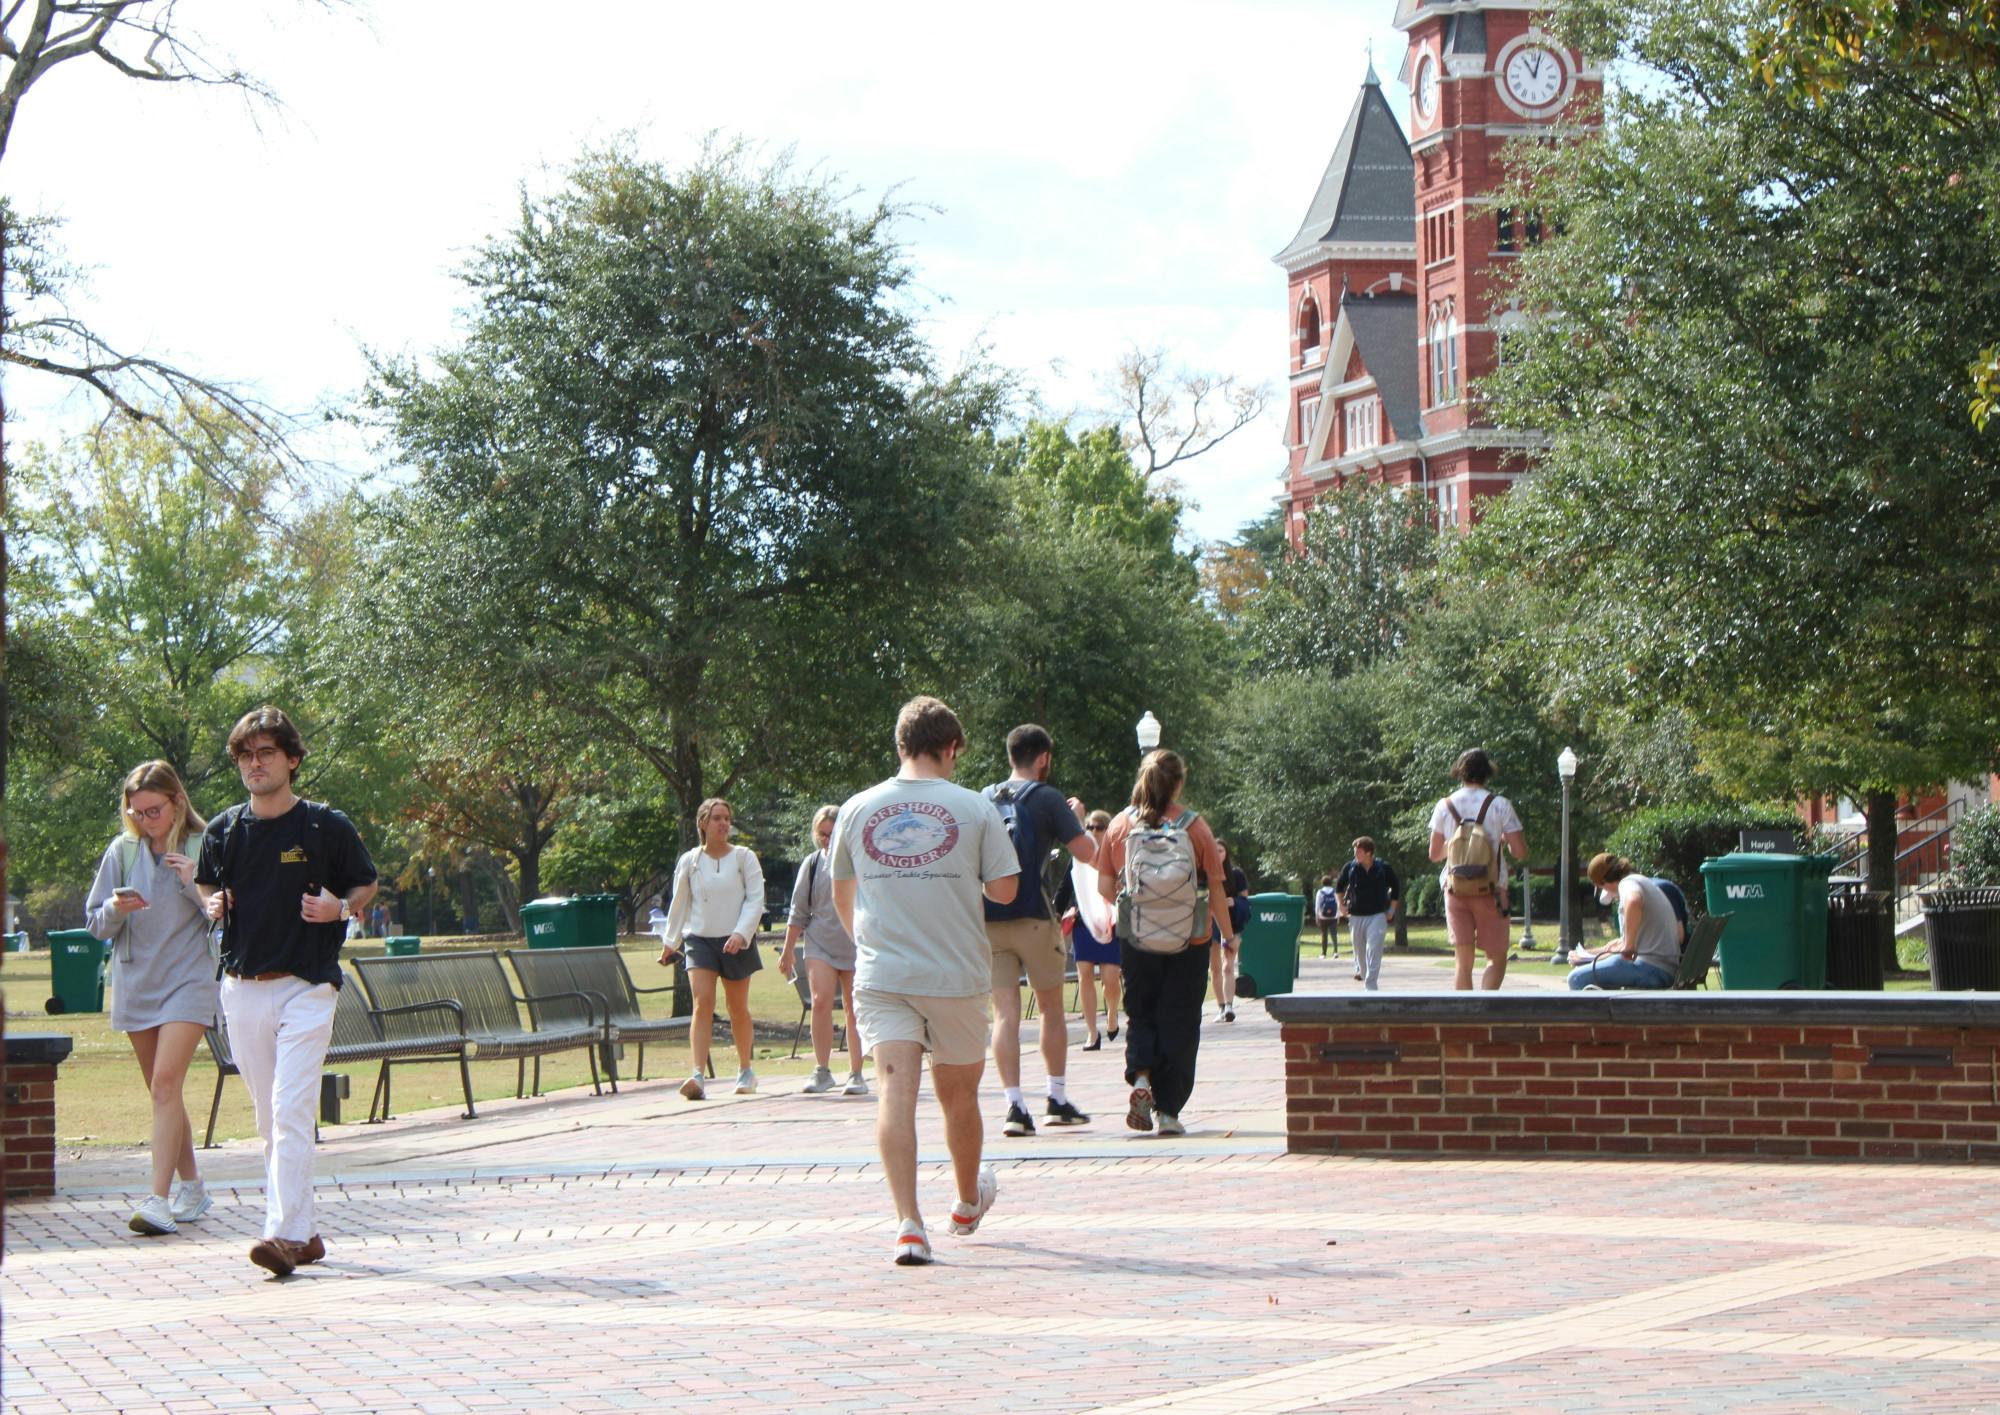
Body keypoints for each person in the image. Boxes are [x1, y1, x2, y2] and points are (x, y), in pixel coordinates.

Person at [830, 695, 1017, 1266]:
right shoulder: (976, 808)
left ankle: (908, 1223)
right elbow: (1005, 890)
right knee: (959, 1096)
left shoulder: (857, 808)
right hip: (955, 972)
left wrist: (874, 942)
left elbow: (843, 894)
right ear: (951, 746)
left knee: (894, 1092)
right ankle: (964, 1202)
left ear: (900, 745)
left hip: (883, 972)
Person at [196, 707, 377, 1276]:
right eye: (246, 755)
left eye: (266, 753)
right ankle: (306, 1233)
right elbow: (207, 882)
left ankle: (281, 1234)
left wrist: (341, 908)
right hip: (242, 986)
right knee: (270, 1117)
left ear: (292, 760)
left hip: (307, 985)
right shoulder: (224, 830)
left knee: (289, 1107)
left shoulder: (325, 826)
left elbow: (365, 882)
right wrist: (212, 904)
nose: (255, 763)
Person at [86, 761, 219, 1237]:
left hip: (189, 980)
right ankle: (193, 1186)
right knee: (164, 1091)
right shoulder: (122, 852)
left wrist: (191, 881)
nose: (146, 821)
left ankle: (158, 1200)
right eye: (137, 812)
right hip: (137, 982)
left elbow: (219, 915)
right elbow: (95, 924)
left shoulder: (205, 847)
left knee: (165, 1084)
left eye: (154, 810)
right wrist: (113, 909)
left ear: (178, 802)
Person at [1095, 749, 1235, 1137]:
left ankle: (1140, 1078)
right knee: (1181, 1020)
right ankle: (1169, 1112)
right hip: (1189, 937)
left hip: (1137, 937)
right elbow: (1217, 887)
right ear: (1178, 783)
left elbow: (1104, 886)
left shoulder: (1121, 825)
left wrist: (1135, 905)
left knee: (1141, 1012)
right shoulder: (1195, 826)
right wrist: (1228, 935)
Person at [982, 724, 1095, 1136]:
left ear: (1012, 755)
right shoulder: (1049, 799)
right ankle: (1056, 1098)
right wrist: (1078, 821)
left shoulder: (984, 798)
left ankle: (1014, 1106)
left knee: (1004, 1013)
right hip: (1034, 916)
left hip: (991, 919)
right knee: (1050, 1008)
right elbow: (1086, 853)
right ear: (1043, 758)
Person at [658, 798, 767, 1101]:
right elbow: (679, 904)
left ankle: (745, 1069)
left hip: (736, 941)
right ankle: (697, 1074)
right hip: (700, 940)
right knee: (702, 1003)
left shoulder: (744, 858)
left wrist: (741, 933)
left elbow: (756, 900)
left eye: (727, 818)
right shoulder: (690, 861)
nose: (723, 824)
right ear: (703, 823)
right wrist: (670, 943)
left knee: (737, 1009)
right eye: (716, 818)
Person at [779, 805, 868, 1096]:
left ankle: (856, 1073)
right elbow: (798, 910)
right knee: (820, 1001)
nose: (829, 839)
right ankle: (822, 1069)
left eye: (834, 833)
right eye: (823, 834)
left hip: (855, 943)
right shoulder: (812, 863)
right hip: (820, 942)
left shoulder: (859, 860)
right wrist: (788, 949)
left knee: (854, 1009)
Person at [1428, 748, 1528, 991]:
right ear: (1487, 773)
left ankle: (1465, 1021)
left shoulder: (1445, 805)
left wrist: (1454, 845)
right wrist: (1501, 839)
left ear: (1459, 772)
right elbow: (1520, 852)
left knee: (1463, 963)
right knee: (1495, 957)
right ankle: (1487, 1008)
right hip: (1491, 890)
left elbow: (1434, 854)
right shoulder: (1500, 805)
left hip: (1455, 889)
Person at [1568, 853, 1684, 990]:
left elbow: (1633, 901)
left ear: (1602, 882)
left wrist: (1628, 946)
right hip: (1663, 967)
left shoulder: (1627, 883)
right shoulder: (1641, 881)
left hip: (1651, 968)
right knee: (1593, 972)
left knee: (1576, 978)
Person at [1066, 810, 1121, 1051]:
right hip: (1083, 923)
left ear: (1108, 830)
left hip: (1110, 922)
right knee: (1085, 975)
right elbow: (1064, 889)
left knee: (1110, 979)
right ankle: (1091, 1032)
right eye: (1089, 827)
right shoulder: (1078, 859)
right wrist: (1062, 911)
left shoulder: (1116, 857)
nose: (1094, 831)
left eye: (1099, 827)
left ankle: (1111, 1014)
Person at [1334, 836, 1402, 991]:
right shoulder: (1350, 868)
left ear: (1369, 853)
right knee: (1359, 953)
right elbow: (1339, 887)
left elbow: (1396, 888)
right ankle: (1365, 976)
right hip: (1356, 916)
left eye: (1358, 851)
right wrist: (1341, 906)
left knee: (1374, 948)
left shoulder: (1383, 868)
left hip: (1377, 915)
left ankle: (1371, 986)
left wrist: (1391, 910)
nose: (1355, 854)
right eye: (1354, 851)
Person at [1209, 840, 1250, 1023]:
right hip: (1210, 923)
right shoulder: (1205, 873)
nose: (1218, 854)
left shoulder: (1236, 874)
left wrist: (1233, 901)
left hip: (1232, 923)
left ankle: (1229, 1006)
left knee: (1228, 965)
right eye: (1215, 850)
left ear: (1226, 853)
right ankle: (1220, 1007)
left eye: (1221, 850)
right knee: (1215, 967)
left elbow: (1245, 900)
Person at [1313, 873, 1339, 958]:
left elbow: (1317, 905)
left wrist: (1317, 917)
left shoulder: (1320, 892)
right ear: (1331, 883)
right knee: (1334, 934)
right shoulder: (1334, 892)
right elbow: (1338, 904)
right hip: (1333, 916)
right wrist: (1338, 916)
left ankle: (1323, 953)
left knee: (1324, 935)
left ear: (1322, 883)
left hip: (1322, 917)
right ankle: (1335, 952)